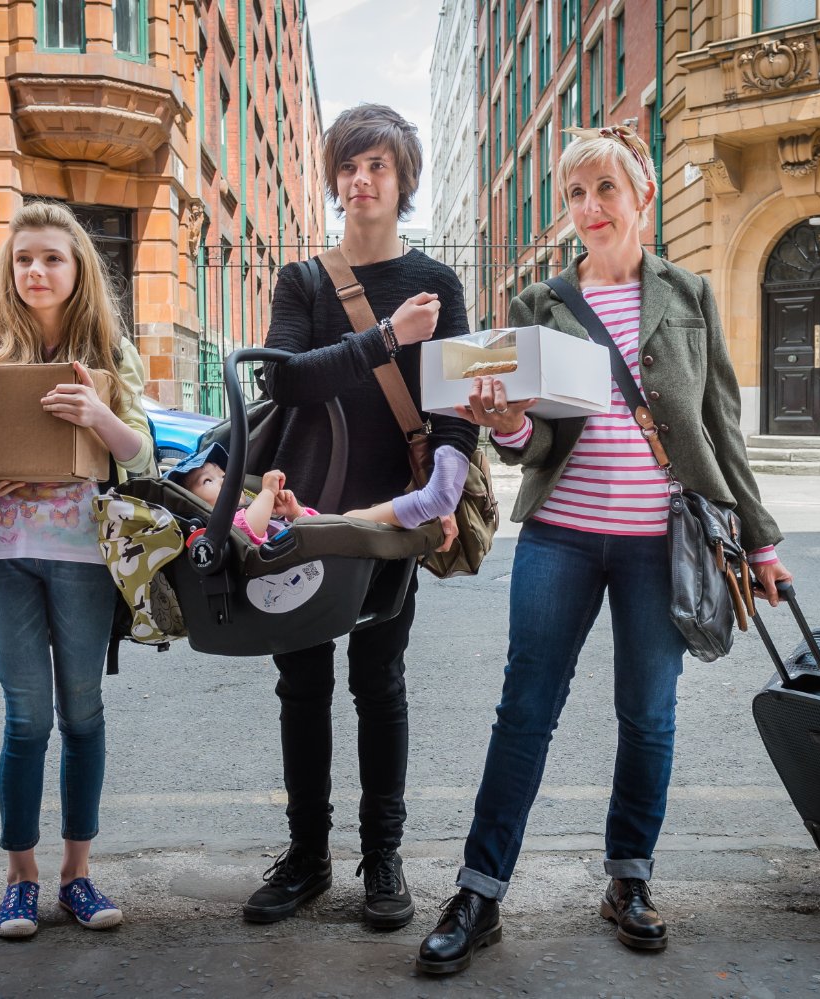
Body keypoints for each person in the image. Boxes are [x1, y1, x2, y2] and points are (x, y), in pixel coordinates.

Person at [415, 125, 794, 974]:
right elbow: (528, 439)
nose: (589, 208)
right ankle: (479, 890)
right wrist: (506, 425)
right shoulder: (540, 306)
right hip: (563, 537)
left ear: (642, 197)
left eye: (604, 190)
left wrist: (762, 543)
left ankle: (629, 877)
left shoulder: (689, 293)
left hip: (665, 543)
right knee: (525, 710)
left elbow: (720, 431)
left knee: (648, 715)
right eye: (576, 194)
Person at [242, 103, 478, 931]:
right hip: (304, 510)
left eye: (378, 165)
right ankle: (307, 857)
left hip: (390, 515)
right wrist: (384, 336)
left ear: (402, 179)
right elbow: (287, 381)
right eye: (349, 165)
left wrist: (445, 491)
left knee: (379, 681)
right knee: (300, 683)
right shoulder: (305, 279)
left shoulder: (439, 285)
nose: (361, 179)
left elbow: (454, 407)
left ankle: (383, 858)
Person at [0, 201, 156, 939]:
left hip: (84, 556)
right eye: (24, 258)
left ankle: (79, 875)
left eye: (51, 258)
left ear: (77, 268)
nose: (36, 269)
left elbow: (142, 456)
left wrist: (97, 413)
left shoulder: (107, 345)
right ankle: (20, 879)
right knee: (26, 718)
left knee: (83, 713)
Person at [174, 440, 470, 545]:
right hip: (296, 568)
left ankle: (424, 504)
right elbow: (250, 529)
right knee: (352, 521)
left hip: (307, 551)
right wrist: (265, 493)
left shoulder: (245, 510)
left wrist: (295, 514)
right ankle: (425, 502)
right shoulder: (219, 529)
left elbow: (282, 524)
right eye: (208, 481)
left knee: (355, 520)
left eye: (224, 475)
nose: (224, 481)